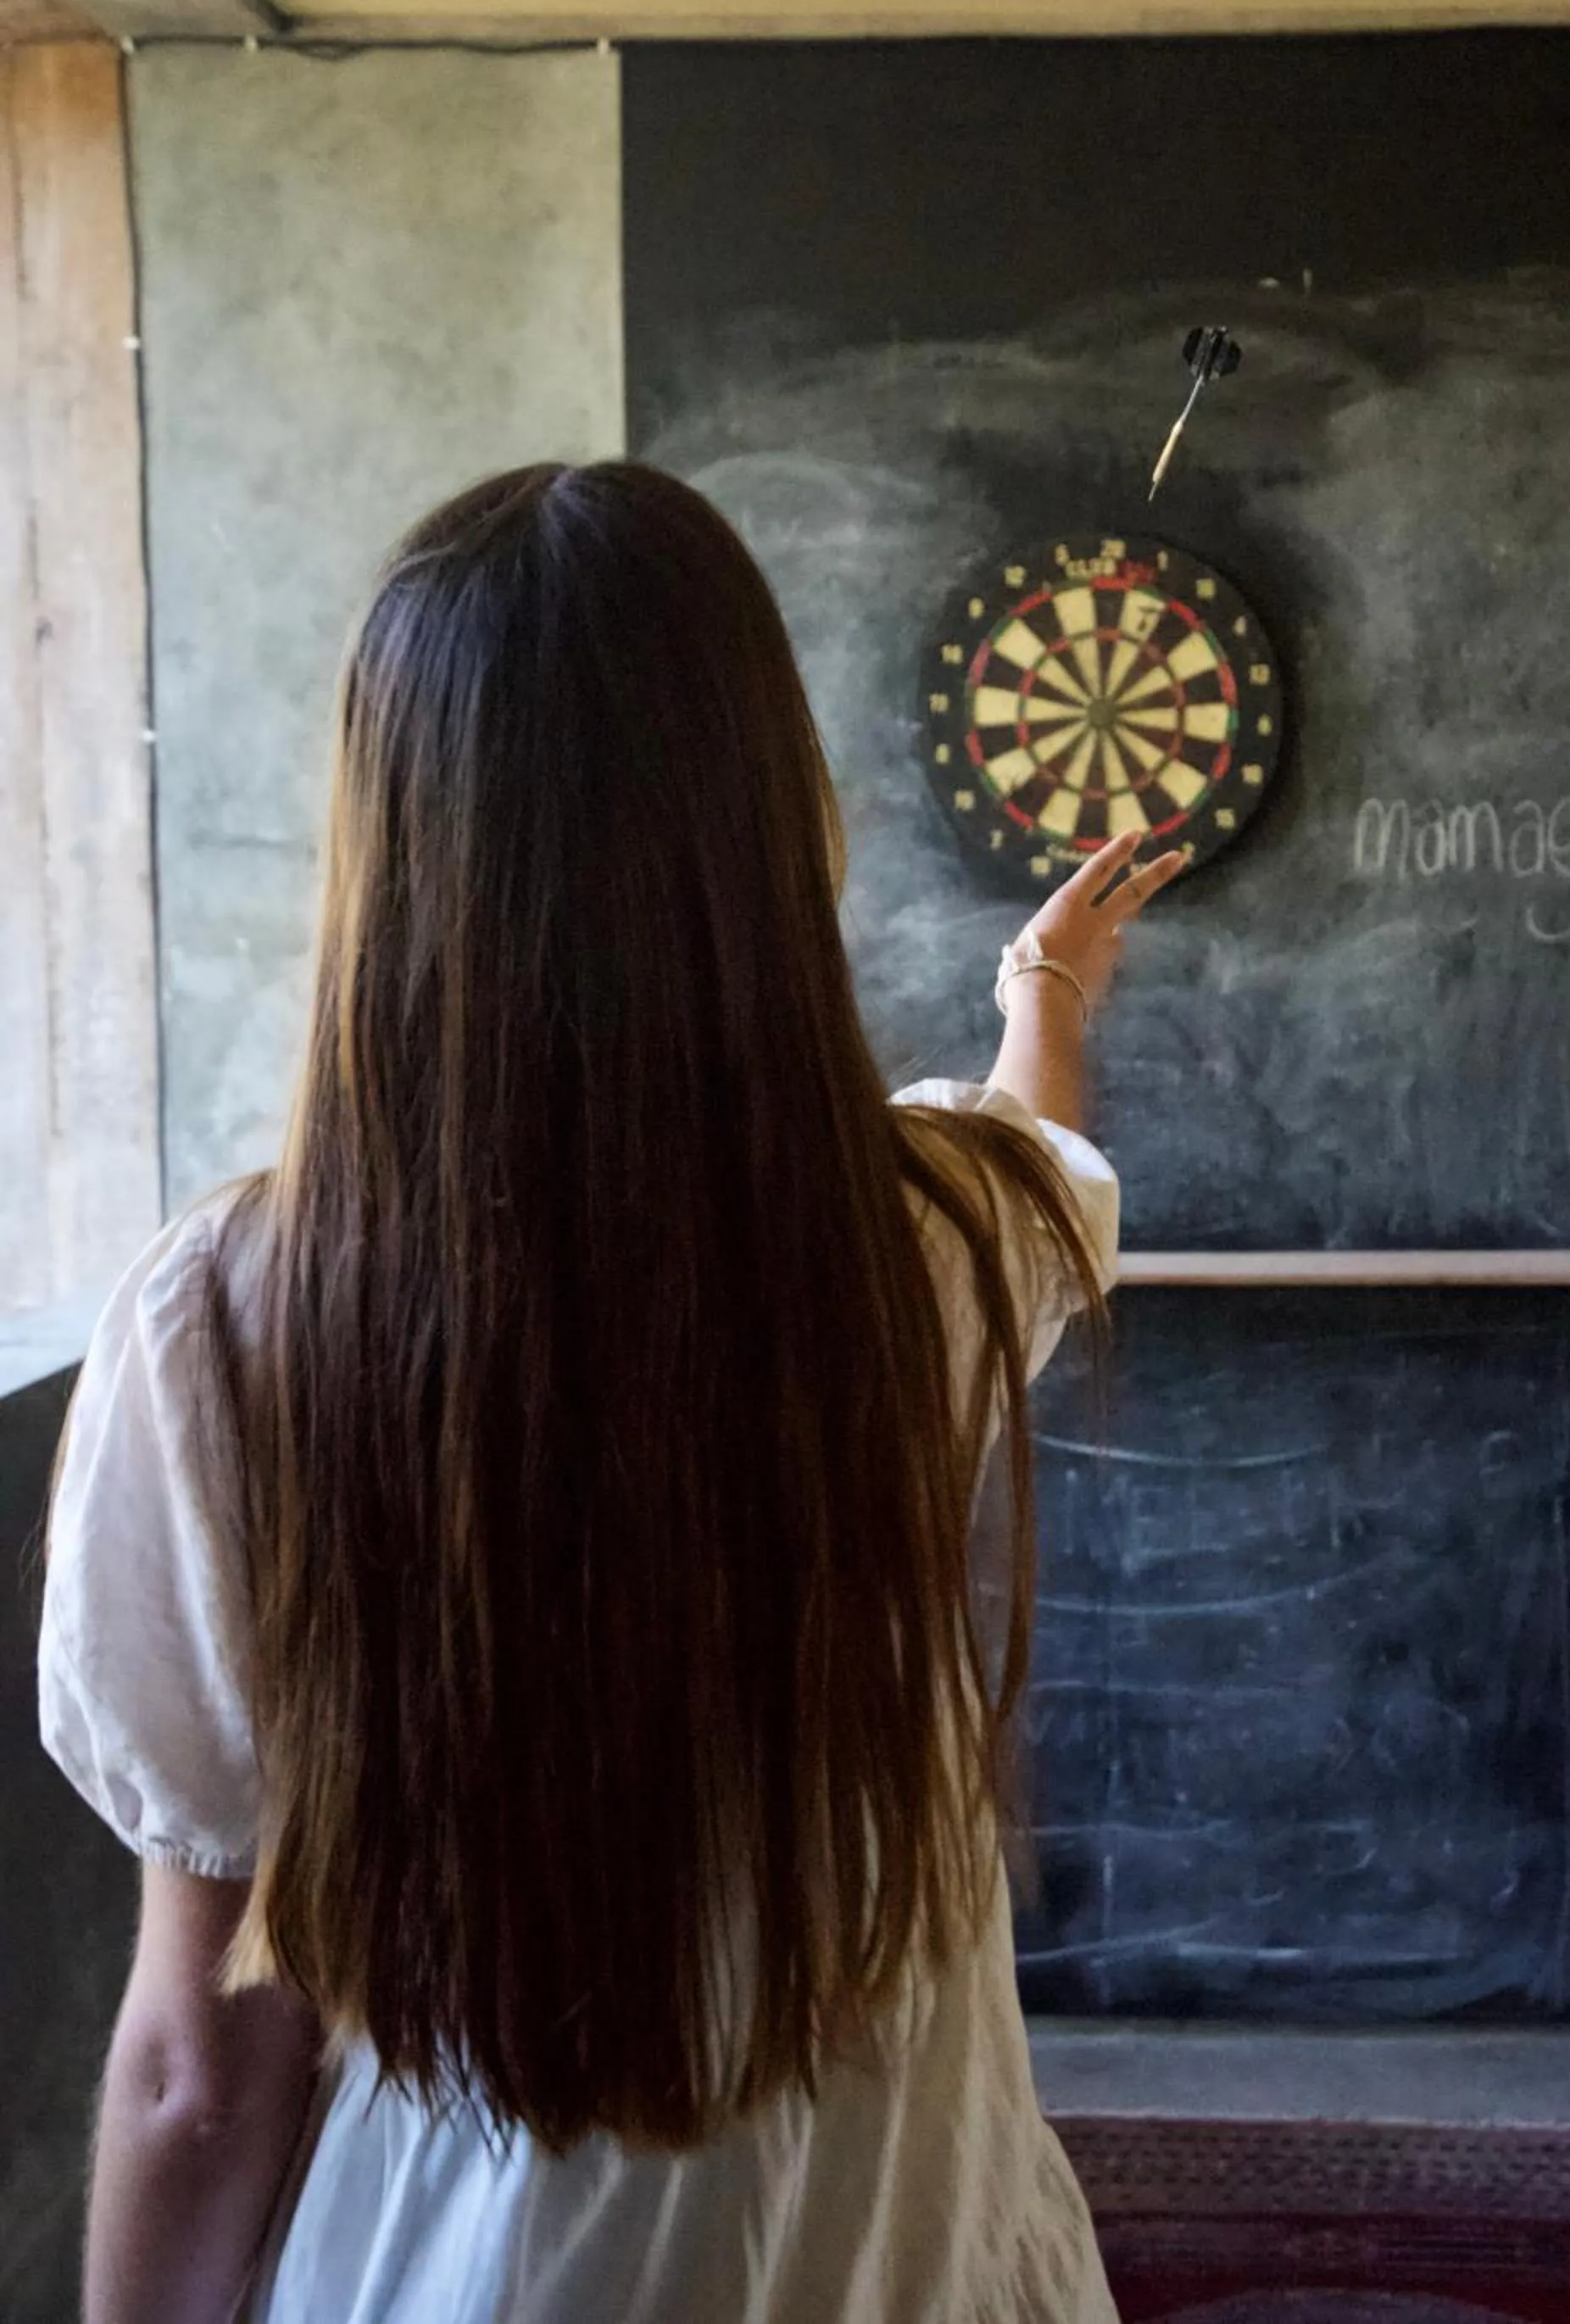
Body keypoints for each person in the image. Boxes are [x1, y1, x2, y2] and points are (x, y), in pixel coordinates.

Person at [38, 461, 1185, 2323]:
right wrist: (1047, 986)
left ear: (390, 836)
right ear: (772, 813)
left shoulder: (226, 1325)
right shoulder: (931, 1259)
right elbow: (1039, 1148)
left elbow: (200, 2064)